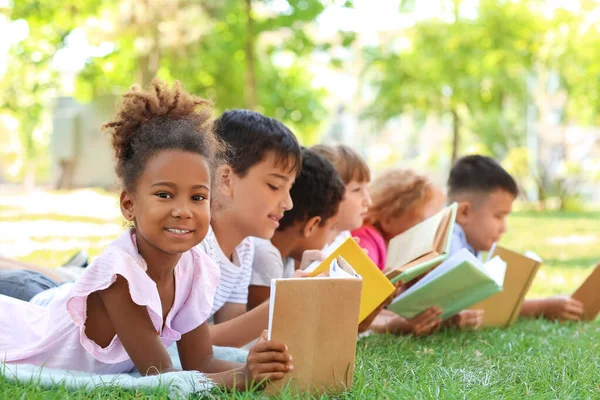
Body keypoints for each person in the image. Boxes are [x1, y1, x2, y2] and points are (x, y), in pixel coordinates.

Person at [0, 80, 292, 389]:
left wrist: (259, 367)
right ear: (129, 204)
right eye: (165, 195)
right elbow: (161, 377)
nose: (184, 211)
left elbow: (200, 363)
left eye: (198, 197)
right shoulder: (121, 277)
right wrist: (243, 377)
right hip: (25, 322)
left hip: (51, 296)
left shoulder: (195, 269)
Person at [447, 154, 584, 322]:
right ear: (464, 212)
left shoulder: (469, 243)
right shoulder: (450, 240)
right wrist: (543, 307)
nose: (504, 228)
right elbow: (475, 305)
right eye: (498, 216)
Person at [354, 168, 483, 335]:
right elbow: (360, 311)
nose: (433, 231)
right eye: (426, 223)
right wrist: (398, 322)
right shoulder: (367, 241)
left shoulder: (400, 250)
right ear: (388, 219)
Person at [248, 147, 345, 310]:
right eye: (331, 228)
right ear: (312, 225)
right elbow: (269, 326)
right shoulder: (267, 254)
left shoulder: (286, 258)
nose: (331, 238)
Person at [310, 144, 371, 244]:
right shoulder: (305, 249)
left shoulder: (344, 236)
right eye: (356, 189)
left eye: (367, 189)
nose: (368, 201)